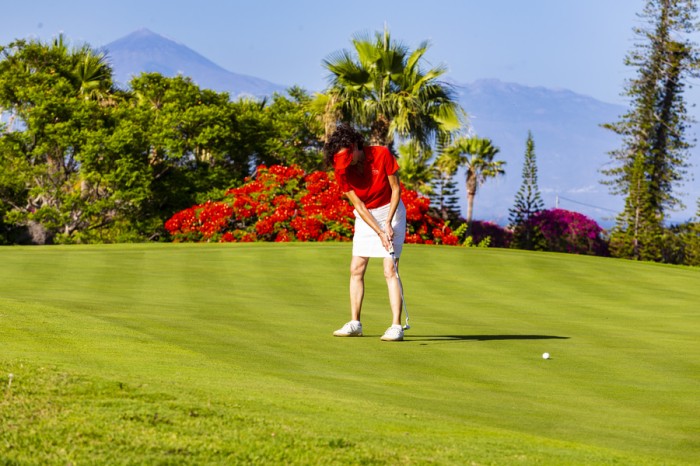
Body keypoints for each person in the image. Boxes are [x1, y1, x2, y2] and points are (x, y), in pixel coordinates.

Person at [324, 123, 407, 341]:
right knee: (356, 268)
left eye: (348, 157)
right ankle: (355, 322)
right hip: (367, 216)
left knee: (390, 269)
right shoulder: (342, 171)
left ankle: (396, 326)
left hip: (392, 211)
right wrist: (378, 231)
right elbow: (359, 206)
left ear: (355, 146)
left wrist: (387, 223)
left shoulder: (381, 154)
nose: (346, 164)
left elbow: (396, 190)